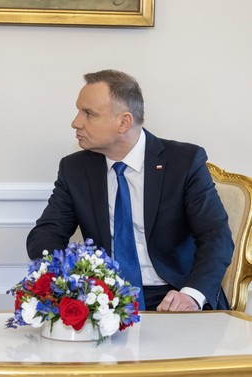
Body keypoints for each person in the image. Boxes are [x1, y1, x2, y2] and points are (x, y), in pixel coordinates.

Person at [27, 69, 234, 312]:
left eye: (88, 114)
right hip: (104, 298)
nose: (76, 122)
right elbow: (45, 235)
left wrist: (191, 295)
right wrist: (77, 280)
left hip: (174, 294)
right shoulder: (75, 169)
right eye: (78, 111)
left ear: (124, 122)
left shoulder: (184, 162)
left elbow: (216, 237)